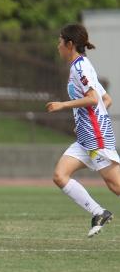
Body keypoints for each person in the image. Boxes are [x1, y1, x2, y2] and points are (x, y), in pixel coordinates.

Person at [46, 23, 120, 237]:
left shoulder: (81, 68)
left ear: (70, 44)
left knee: (116, 186)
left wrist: (63, 105)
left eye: (60, 41)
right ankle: (99, 213)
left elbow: (93, 98)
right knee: (60, 175)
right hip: (86, 138)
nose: (57, 45)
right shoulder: (80, 66)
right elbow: (106, 99)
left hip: (96, 137)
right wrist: (94, 114)